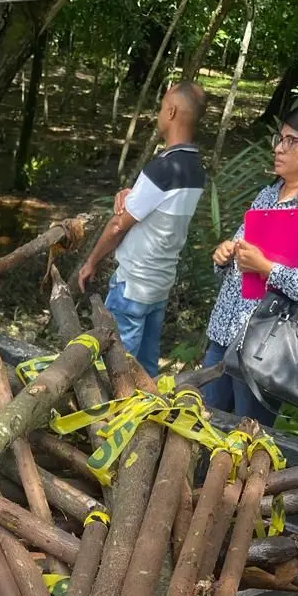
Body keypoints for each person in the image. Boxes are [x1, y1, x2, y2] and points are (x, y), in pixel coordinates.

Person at [202, 101, 298, 426]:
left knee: (247, 437)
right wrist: (225, 255)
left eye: (292, 141)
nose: (279, 149)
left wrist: (268, 268)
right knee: (200, 421)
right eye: (279, 138)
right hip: (224, 331)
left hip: (266, 345)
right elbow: (242, 249)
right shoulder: (270, 193)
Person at [77, 81, 207, 377]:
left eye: (162, 107)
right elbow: (156, 211)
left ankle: (107, 419)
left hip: (133, 285)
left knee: (115, 368)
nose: (160, 113)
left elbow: (117, 226)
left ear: (171, 111)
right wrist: (130, 194)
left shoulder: (163, 169)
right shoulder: (195, 169)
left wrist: (91, 262)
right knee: (145, 369)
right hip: (159, 285)